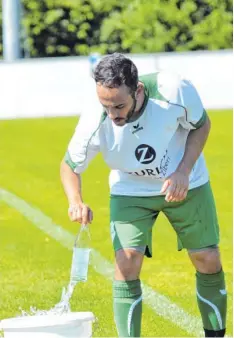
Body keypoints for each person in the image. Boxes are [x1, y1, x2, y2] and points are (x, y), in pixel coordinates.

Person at [60, 53, 227, 337]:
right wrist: (75, 201)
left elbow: (201, 125)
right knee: (125, 263)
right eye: (106, 105)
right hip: (130, 190)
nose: (112, 114)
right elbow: (69, 166)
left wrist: (183, 171)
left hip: (187, 182)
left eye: (119, 106)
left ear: (137, 90)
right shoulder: (95, 117)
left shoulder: (174, 91)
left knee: (207, 259)